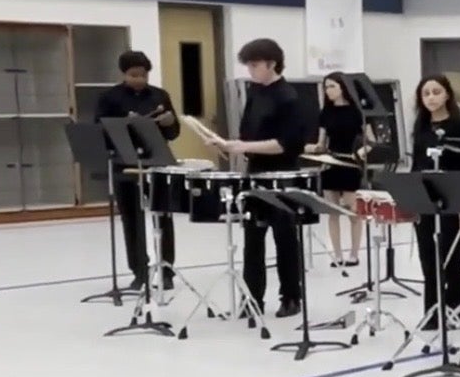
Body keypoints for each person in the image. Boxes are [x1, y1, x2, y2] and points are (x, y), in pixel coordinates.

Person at [204, 39, 310, 319]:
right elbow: (248, 134)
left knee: (284, 238)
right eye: (248, 66)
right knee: (252, 238)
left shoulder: (288, 97)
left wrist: (242, 146)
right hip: (255, 173)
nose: (250, 71)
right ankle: (252, 300)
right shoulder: (255, 92)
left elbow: (286, 144)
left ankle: (291, 297)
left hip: (282, 175)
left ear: (272, 64)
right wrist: (228, 145)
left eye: (254, 65)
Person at [91, 51, 179, 290]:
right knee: (131, 218)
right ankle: (139, 271)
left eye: (143, 75)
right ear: (123, 74)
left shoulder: (160, 96)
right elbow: (99, 128)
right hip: (125, 163)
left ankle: (167, 271)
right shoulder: (110, 98)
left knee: (163, 216)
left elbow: (173, 133)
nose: (139, 79)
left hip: (156, 162)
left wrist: (170, 123)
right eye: (133, 75)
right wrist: (124, 124)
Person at [411, 74, 460, 326]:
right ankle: (433, 313)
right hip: (425, 200)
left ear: (447, 94)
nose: (431, 98)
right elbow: (417, 165)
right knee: (428, 259)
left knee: (454, 257)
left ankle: (458, 311)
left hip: (452, 200)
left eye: (436, 92)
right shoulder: (421, 127)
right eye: (426, 93)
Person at [311, 72, 367, 269]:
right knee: (332, 211)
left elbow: (370, 140)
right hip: (331, 163)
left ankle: (354, 254)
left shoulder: (357, 112)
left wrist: (361, 153)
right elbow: (321, 142)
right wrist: (314, 149)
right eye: (326, 87)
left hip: (351, 163)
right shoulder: (325, 113)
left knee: (353, 211)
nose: (328, 91)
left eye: (332, 86)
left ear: (343, 88)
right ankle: (337, 254)